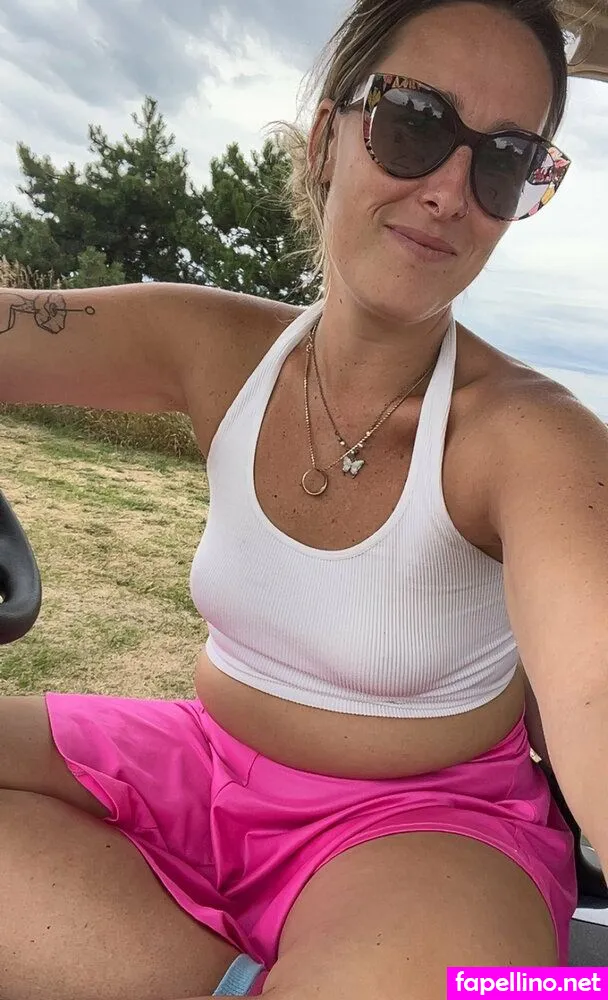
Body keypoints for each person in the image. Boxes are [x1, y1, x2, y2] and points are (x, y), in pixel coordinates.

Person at [0, 0, 606, 997]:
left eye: (504, 160)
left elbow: (594, 691)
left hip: (433, 831)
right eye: (414, 122)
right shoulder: (211, 347)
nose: (448, 191)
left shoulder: (532, 435)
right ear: (328, 137)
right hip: (195, 768)